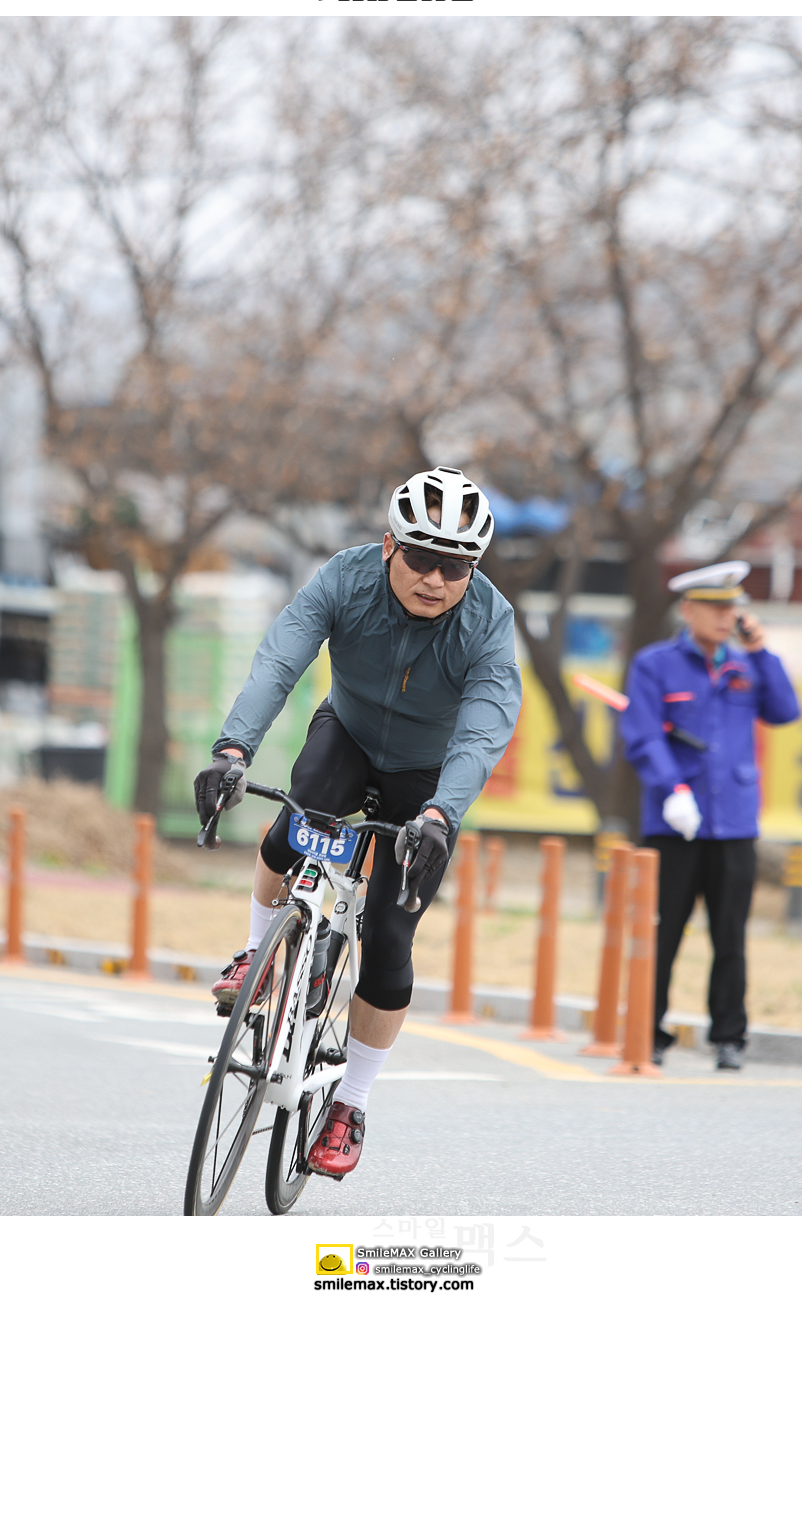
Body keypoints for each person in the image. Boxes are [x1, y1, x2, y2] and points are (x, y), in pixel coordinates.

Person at [193, 467, 521, 1180]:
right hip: (347, 733)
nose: (436, 579)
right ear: (389, 546)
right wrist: (233, 751)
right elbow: (280, 659)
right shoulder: (345, 577)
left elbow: (484, 729)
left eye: (457, 566)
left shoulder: (489, 623)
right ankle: (255, 953)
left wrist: (440, 814)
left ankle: (351, 1103)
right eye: (423, 558)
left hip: (427, 778)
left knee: (391, 934)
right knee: (296, 818)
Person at [619, 560, 800, 1071]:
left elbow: (785, 710)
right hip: (673, 821)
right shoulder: (656, 664)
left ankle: (729, 1037)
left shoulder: (746, 665)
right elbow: (643, 736)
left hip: (733, 822)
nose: (727, 618)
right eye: (715, 607)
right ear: (688, 610)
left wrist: (761, 650)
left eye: (732, 608)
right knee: (662, 933)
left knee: (730, 936)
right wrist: (672, 789)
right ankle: (648, 1032)